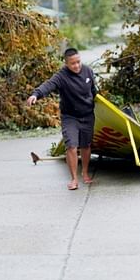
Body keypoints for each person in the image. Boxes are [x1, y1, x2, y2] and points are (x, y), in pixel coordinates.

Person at [27, 48, 97, 190]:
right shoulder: (61, 76)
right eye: (72, 64)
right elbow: (48, 85)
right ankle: (74, 179)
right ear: (66, 64)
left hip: (88, 115)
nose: (76, 66)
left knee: (85, 145)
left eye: (78, 62)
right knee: (71, 145)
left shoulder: (88, 71)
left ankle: (84, 172)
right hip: (70, 117)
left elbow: (94, 92)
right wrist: (36, 94)